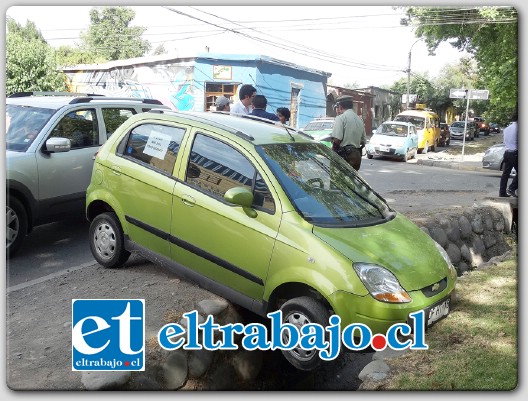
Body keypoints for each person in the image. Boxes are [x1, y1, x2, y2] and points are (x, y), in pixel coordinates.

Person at [330, 95, 366, 171]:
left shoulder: (341, 118)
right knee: (352, 181)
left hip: (344, 156)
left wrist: (332, 151)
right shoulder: (359, 119)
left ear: (340, 106)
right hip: (356, 156)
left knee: (337, 180)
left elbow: (337, 139)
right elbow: (363, 141)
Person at [499, 107, 518, 197]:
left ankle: (502, 192)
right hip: (515, 153)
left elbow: (505, 141)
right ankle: (512, 188)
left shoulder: (507, 129)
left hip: (507, 152)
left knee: (505, 173)